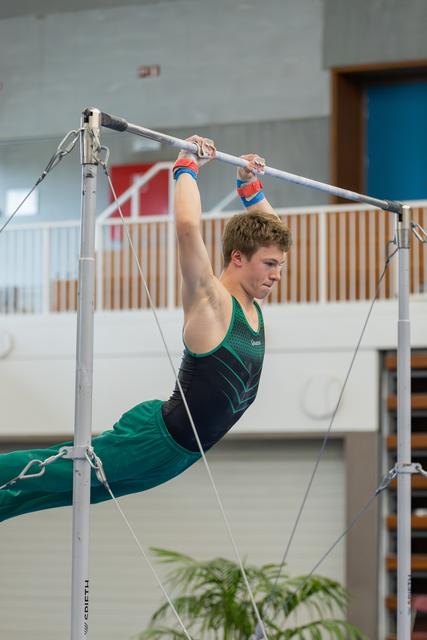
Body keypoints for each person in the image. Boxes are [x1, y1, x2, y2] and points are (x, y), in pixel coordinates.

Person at [0, 136, 291, 522]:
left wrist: (248, 186)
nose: (278, 275)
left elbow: (274, 233)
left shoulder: (252, 305)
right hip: (155, 440)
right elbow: (188, 228)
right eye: (270, 265)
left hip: (180, 455)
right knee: (56, 470)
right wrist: (186, 165)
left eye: (279, 265)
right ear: (237, 258)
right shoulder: (214, 303)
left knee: (67, 492)